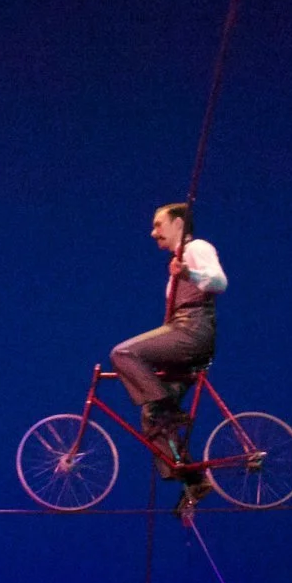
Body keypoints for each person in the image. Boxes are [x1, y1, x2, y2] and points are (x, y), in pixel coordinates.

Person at [110, 202, 226, 501]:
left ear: (178, 224)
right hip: (184, 334)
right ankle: (194, 480)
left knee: (123, 354)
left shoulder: (196, 247)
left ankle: (171, 411)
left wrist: (187, 271)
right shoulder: (177, 259)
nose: (153, 232)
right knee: (152, 416)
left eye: (158, 224)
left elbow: (219, 282)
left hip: (191, 333)